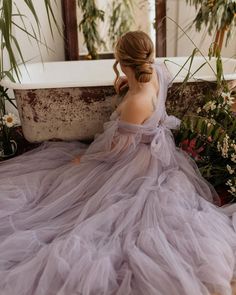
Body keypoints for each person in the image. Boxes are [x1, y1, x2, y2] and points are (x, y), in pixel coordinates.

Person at [0, 31, 235, 295]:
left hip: (135, 161)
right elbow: (153, 88)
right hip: (159, 152)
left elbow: (116, 151)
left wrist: (86, 158)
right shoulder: (157, 72)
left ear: (123, 62)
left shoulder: (136, 103)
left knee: (80, 189)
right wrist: (131, 83)